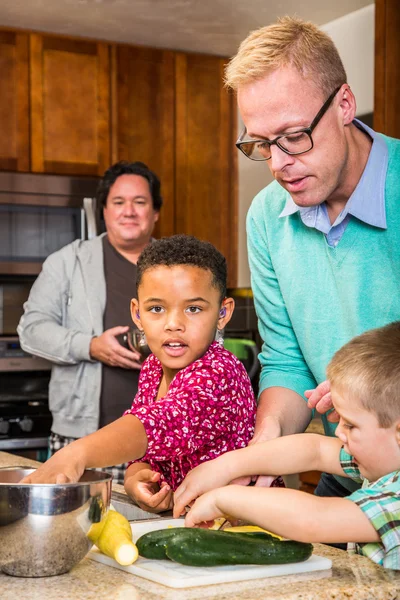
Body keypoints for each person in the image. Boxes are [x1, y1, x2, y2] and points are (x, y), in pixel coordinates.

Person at [226, 16, 400, 499]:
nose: (279, 163)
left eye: (294, 135)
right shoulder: (266, 216)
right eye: (261, 143)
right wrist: (267, 443)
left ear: (344, 104)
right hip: (343, 463)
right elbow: (287, 358)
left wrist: (366, 389)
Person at [21, 234, 257, 514]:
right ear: (137, 314)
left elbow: (155, 425)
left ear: (222, 312)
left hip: (242, 528)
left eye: (193, 309)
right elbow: (149, 447)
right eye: (156, 309)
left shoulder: (218, 371)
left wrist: (76, 454)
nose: (173, 324)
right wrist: (136, 475)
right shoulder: (153, 368)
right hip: (189, 525)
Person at [174, 322, 400, 569]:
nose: (338, 431)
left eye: (351, 425)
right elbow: (314, 450)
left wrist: (223, 499)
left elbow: (313, 519)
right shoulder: (384, 459)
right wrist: (225, 466)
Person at [17, 160, 162, 484]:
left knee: (156, 528)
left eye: (140, 202)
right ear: (104, 211)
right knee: (77, 531)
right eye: (119, 202)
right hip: (82, 440)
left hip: (159, 437)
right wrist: (91, 346)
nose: (129, 211)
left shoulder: (175, 268)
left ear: (155, 213)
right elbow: (31, 330)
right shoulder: (68, 262)